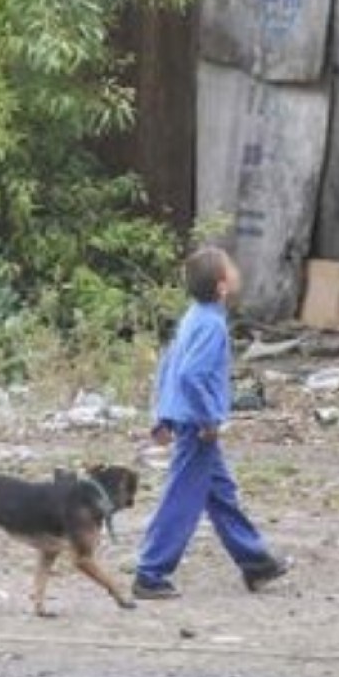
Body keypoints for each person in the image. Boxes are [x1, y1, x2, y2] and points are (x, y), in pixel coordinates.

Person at [132, 248, 290, 600]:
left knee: (221, 495)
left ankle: (255, 561)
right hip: (197, 425)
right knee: (181, 498)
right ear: (222, 286)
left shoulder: (194, 316)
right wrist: (206, 418)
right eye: (231, 268)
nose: (237, 270)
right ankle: (150, 572)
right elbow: (190, 374)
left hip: (187, 418)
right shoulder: (211, 325)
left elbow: (169, 364)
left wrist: (162, 415)